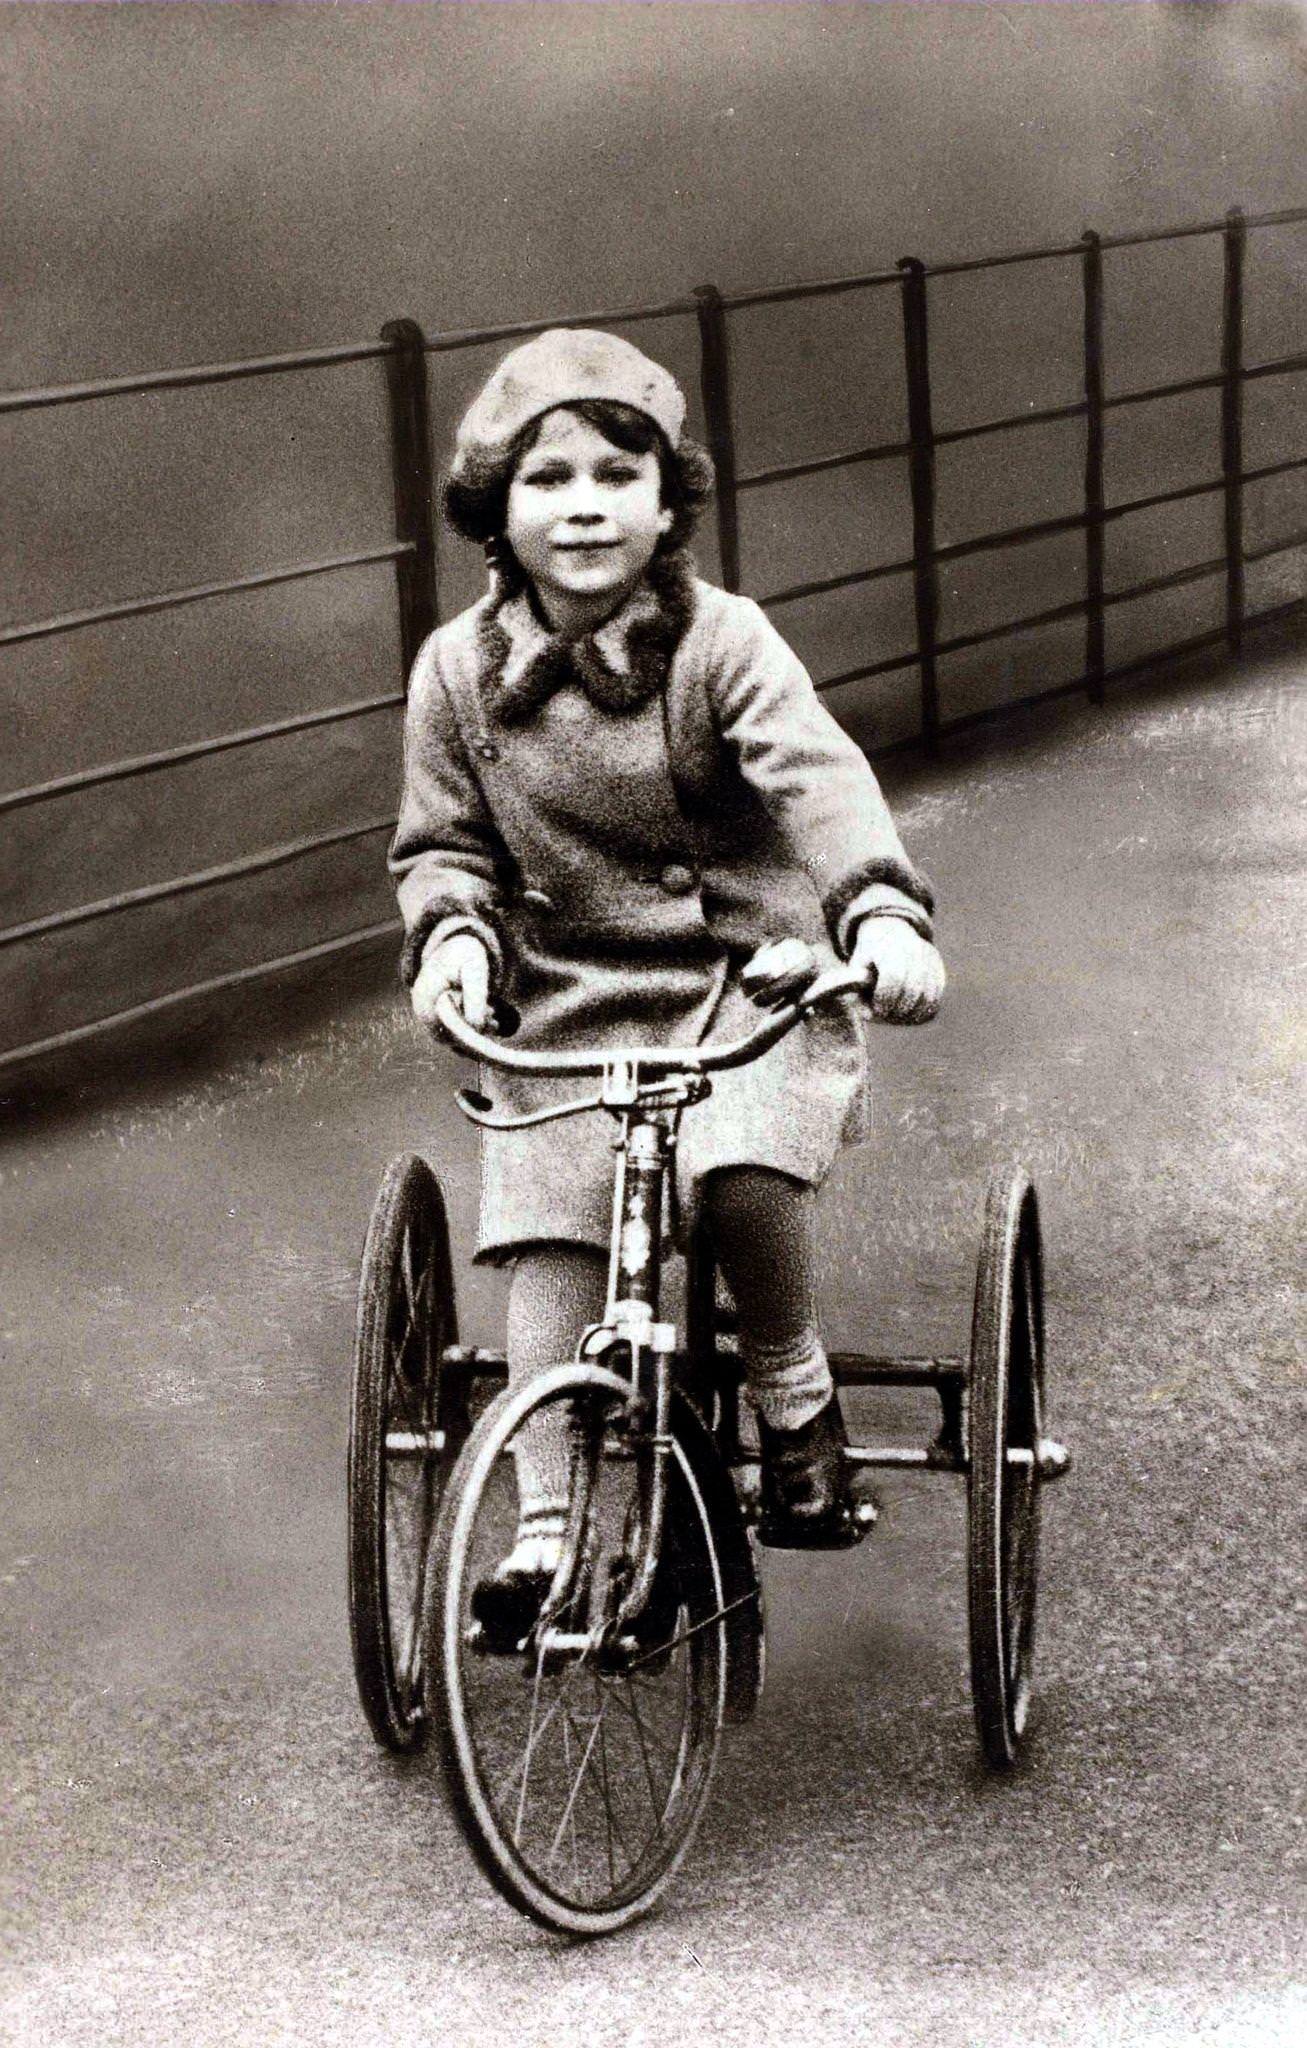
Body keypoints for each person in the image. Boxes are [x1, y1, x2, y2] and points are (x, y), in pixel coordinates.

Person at [390, 329, 943, 1631]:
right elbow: (442, 845)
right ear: (495, 507)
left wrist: (878, 912)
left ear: (666, 499)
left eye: (616, 473)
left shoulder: (724, 643)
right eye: (547, 478)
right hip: (572, 994)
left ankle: (794, 1396)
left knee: (742, 1161)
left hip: (753, 982)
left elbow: (817, 777)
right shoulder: (456, 675)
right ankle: (544, 1531)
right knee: (549, 1215)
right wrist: (459, 940)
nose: (583, 504)